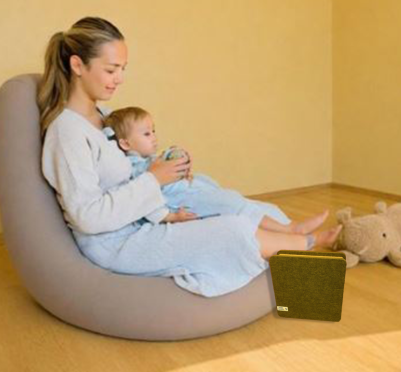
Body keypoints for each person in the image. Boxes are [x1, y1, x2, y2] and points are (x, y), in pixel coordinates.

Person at [39, 16, 342, 297]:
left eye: (123, 69)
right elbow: (88, 216)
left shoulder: (104, 117)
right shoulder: (67, 132)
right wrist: (153, 179)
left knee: (239, 206)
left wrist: (167, 165)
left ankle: (297, 256)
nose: (119, 79)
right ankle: (310, 247)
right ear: (77, 65)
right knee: (234, 231)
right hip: (117, 242)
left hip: (145, 218)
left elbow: (131, 164)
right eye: (111, 70)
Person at [103, 106, 330, 235]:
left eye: (153, 131)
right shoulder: (135, 170)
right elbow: (145, 200)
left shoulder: (150, 159)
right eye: (146, 134)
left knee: (219, 189)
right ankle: (290, 229)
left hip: (189, 190)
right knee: (231, 202)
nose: (154, 137)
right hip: (181, 202)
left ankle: (279, 226)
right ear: (125, 143)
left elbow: (165, 175)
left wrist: (181, 168)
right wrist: (171, 217)